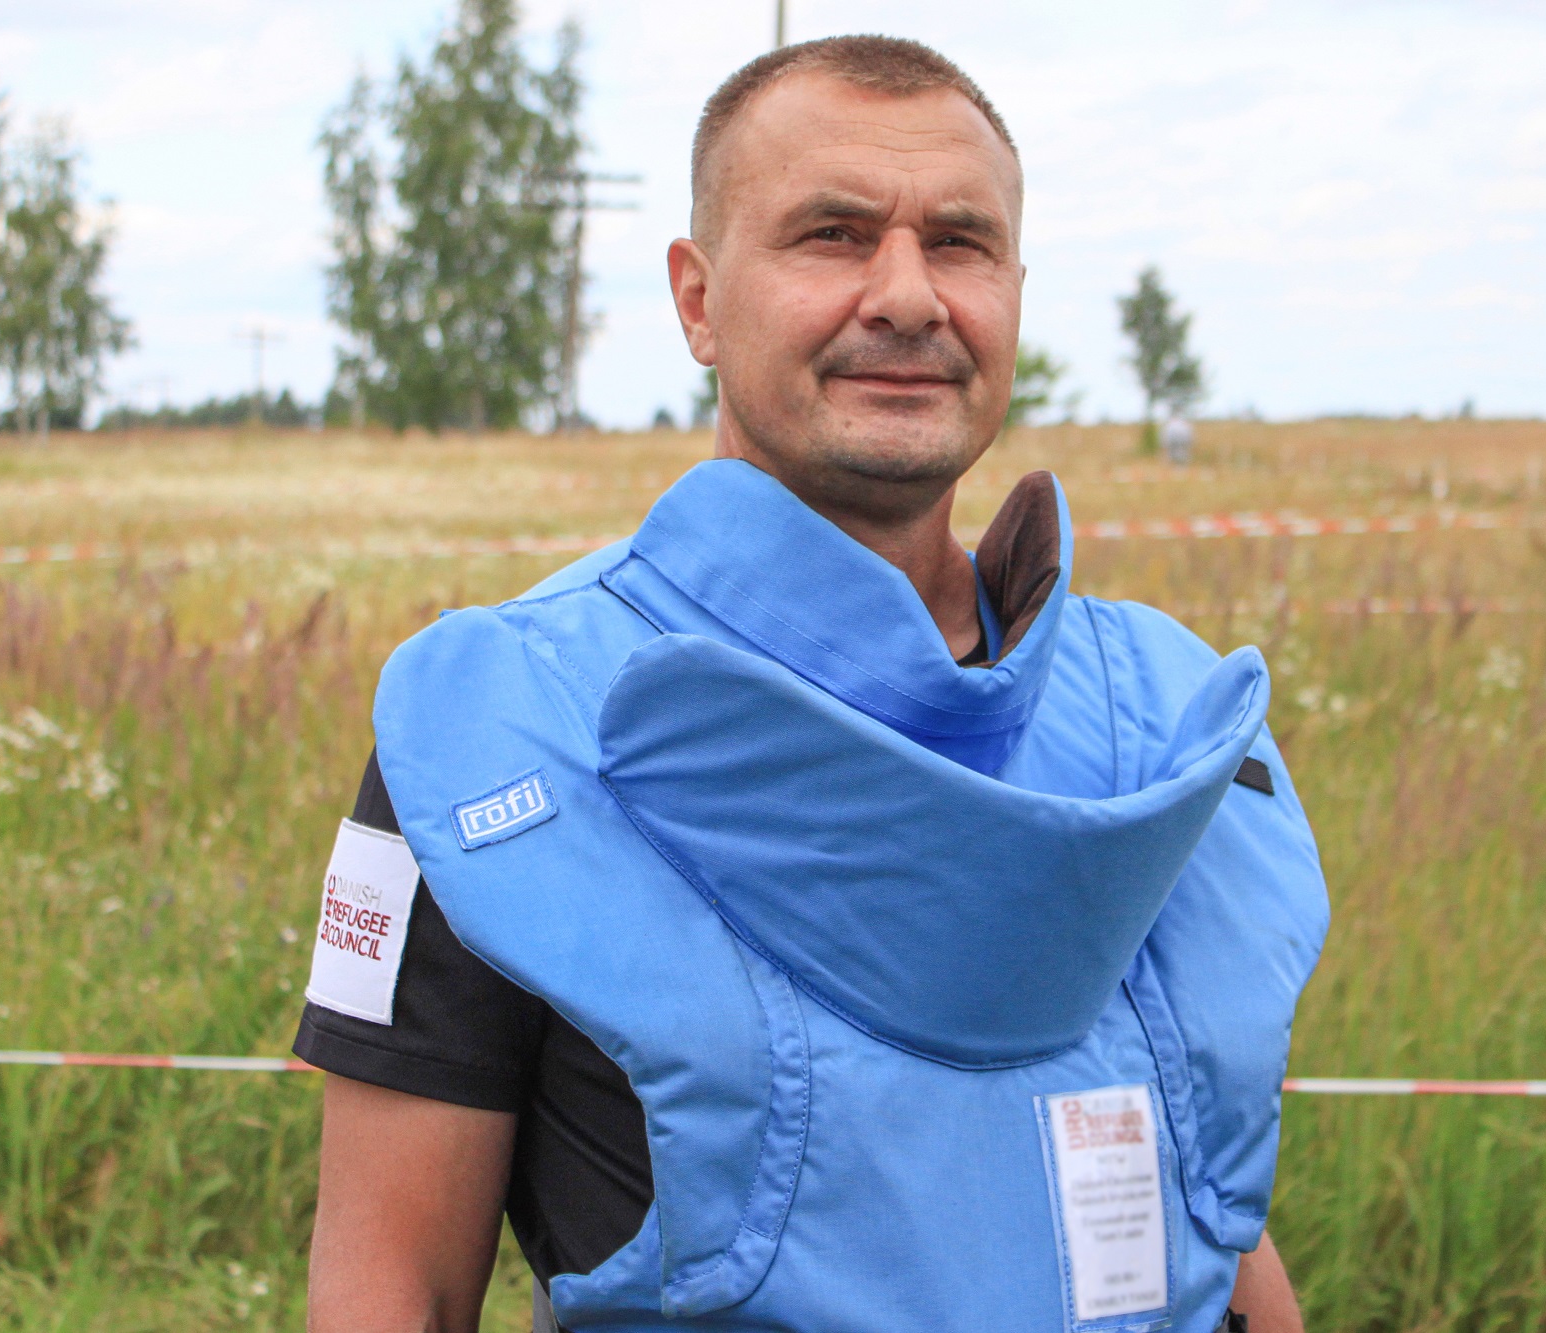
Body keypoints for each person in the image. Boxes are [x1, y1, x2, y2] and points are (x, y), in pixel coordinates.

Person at [297, 35, 1328, 1333]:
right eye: (833, 235)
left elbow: (1209, 1209)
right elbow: (396, 1284)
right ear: (698, 299)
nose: (906, 295)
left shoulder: (1167, 717)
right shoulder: (497, 734)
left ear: (1014, 288)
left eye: (959, 243)